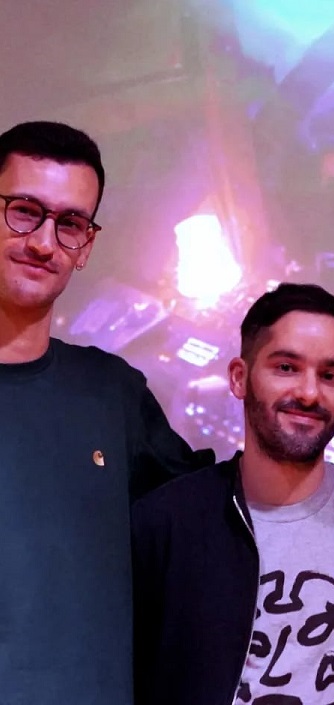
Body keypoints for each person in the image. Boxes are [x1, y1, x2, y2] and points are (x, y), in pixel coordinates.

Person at [131, 283, 334, 705]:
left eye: (329, 376)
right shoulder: (164, 525)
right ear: (239, 377)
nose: (309, 393)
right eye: (287, 367)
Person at [0, 120, 211, 705]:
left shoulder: (112, 393)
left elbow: (217, 512)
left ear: (86, 247)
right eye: (24, 212)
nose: (43, 243)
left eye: (70, 224)